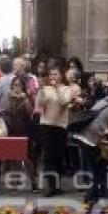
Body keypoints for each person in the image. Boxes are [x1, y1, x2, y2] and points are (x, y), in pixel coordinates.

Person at [36, 67, 71, 196]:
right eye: (51, 74)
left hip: (60, 126)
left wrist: (57, 88)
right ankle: (51, 186)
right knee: (48, 157)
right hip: (46, 125)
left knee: (58, 157)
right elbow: (40, 103)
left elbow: (64, 102)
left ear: (61, 76)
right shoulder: (45, 89)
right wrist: (41, 90)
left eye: (55, 74)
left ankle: (57, 185)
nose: (53, 77)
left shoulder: (66, 89)